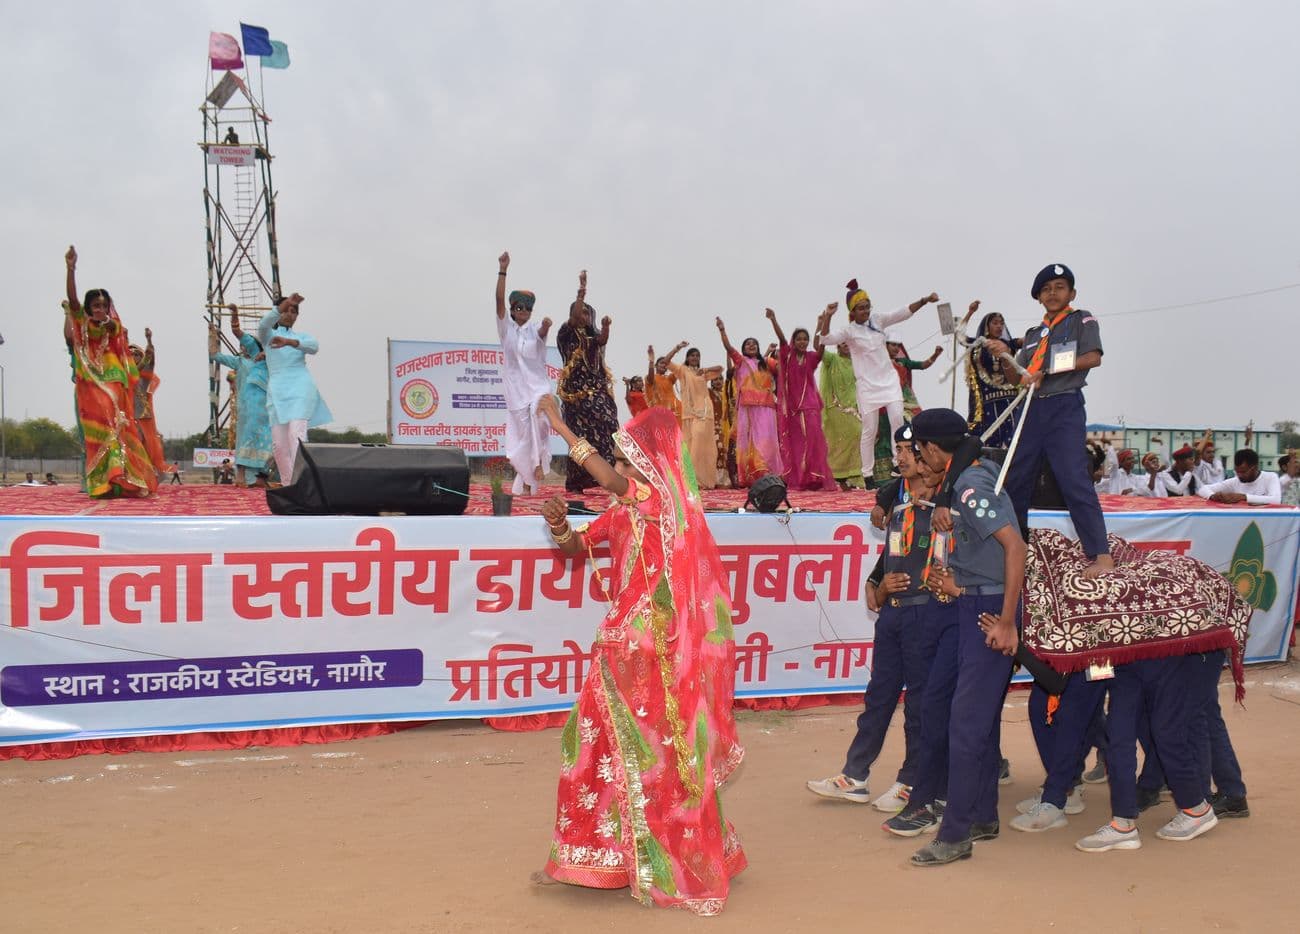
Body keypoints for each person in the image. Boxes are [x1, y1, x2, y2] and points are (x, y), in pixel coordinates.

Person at [533, 396, 746, 914]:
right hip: (623, 644)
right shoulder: (627, 511)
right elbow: (575, 549)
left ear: (651, 466)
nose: (622, 468)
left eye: (628, 459)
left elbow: (607, 479)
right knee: (600, 744)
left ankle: (661, 858)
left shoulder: (659, 502)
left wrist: (560, 425)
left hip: (646, 649)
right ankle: (597, 857)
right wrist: (560, 525)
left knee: (647, 751)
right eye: (622, 460)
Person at [807, 424, 948, 812]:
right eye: (898, 449)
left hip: (927, 616)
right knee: (878, 698)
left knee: (920, 706)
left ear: (929, 456)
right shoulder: (899, 507)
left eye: (909, 450)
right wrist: (878, 585)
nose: (899, 457)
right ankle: (855, 776)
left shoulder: (946, 509)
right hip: (893, 618)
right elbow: (892, 557)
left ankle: (911, 781)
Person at [907, 408, 1024, 866]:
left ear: (934, 450)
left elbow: (1015, 547)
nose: (919, 459)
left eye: (919, 451)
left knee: (967, 723)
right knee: (976, 716)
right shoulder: (963, 483)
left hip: (986, 610)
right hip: (971, 601)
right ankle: (980, 815)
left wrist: (1007, 622)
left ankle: (955, 834)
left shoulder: (972, 487)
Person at [984, 263, 1113, 577]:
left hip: (1064, 408)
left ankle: (1100, 554)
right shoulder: (1032, 335)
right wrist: (1004, 355)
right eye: (1046, 289)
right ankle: (1015, 549)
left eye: (1059, 287)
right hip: (1030, 410)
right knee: (1016, 481)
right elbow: (1020, 377)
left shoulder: (1081, 319)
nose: (1052, 293)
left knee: (1074, 479)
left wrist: (1049, 370)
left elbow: (1092, 357)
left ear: (1071, 293)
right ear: (1038, 297)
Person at [820, 283, 941, 488]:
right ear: (852, 311)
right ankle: (867, 475)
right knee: (869, 429)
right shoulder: (849, 331)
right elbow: (824, 339)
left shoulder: (878, 320)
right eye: (861, 308)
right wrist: (828, 316)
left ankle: (897, 464)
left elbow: (902, 312)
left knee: (897, 420)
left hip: (889, 382)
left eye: (867, 306)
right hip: (867, 387)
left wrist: (924, 300)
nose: (865, 311)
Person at [61, 245, 157, 499]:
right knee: (97, 433)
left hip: (113, 381)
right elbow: (72, 301)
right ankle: (103, 484)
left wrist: (108, 322)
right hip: (91, 383)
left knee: (116, 429)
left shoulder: (113, 326)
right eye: (95, 305)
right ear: (89, 307)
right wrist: (71, 270)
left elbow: (117, 334)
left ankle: (119, 480)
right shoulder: (82, 324)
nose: (99, 308)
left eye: (103, 305)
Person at [491, 252, 552, 495]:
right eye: (519, 307)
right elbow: (497, 300)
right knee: (521, 440)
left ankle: (537, 466)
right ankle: (526, 480)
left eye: (528, 308)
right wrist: (503, 269)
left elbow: (541, 334)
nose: (524, 311)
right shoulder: (506, 330)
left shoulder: (534, 329)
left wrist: (546, 325)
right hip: (516, 392)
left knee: (539, 420)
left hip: (538, 389)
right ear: (513, 309)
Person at [258, 291, 332, 484]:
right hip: (276, 393)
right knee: (279, 446)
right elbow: (263, 324)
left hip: (300, 388)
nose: (290, 314)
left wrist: (290, 342)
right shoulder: (268, 336)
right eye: (286, 310)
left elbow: (314, 346)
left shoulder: (301, 337)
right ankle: (289, 485)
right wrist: (284, 304)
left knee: (296, 436)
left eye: (294, 311)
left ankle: (303, 483)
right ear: (278, 311)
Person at [556, 270, 619, 493]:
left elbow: (602, 339)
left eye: (587, 313)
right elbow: (573, 318)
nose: (583, 316)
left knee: (609, 426)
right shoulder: (566, 333)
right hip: (577, 398)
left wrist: (606, 326)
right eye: (580, 312)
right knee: (580, 438)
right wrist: (581, 291)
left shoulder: (593, 338)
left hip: (597, 393)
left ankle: (606, 477)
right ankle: (577, 482)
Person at [768, 307, 835, 491]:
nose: (803, 342)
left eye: (805, 339)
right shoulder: (787, 355)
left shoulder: (812, 358)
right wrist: (773, 319)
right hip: (793, 411)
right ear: (794, 341)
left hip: (811, 406)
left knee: (814, 440)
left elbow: (821, 347)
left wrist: (821, 323)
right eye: (799, 339)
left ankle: (815, 477)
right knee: (797, 444)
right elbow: (781, 339)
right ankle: (800, 478)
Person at [209, 305, 273, 485]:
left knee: (267, 440)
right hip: (247, 406)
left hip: (266, 407)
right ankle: (241, 476)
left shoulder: (272, 360)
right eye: (244, 344)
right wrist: (213, 335)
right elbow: (215, 354)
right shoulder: (241, 361)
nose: (244, 346)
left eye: (249, 344)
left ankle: (261, 477)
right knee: (247, 437)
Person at [716, 317, 783, 486]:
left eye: (754, 344)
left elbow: (783, 368)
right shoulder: (741, 361)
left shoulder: (766, 363)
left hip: (767, 407)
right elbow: (728, 347)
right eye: (748, 344)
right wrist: (722, 331)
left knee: (766, 441)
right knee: (749, 442)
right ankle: (752, 475)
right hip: (747, 408)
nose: (751, 346)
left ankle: (769, 474)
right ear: (743, 349)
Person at [962, 303, 1025, 447]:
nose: (999, 326)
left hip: (1012, 399)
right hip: (988, 402)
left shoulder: (1009, 344)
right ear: (986, 326)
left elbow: (1026, 341)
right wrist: (970, 312)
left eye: (1001, 323)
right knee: (991, 439)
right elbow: (960, 336)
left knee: (1017, 437)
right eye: (995, 323)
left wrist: (1042, 332)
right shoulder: (977, 344)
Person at [664, 343, 723, 489]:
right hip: (688, 414)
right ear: (687, 358)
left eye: (697, 355)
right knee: (690, 446)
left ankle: (699, 481)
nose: (695, 357)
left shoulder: (703, 373)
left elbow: (721, 368)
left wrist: (706, 369)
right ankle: (690, 480)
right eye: (692, 355)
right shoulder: (682, 371)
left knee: (702, 446)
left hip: (704, 412)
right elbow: (666, 362)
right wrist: (677, 347)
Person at [818, 342, 863, 490]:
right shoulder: (831, 359)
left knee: (858, 436)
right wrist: (823, 323)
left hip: (853, 410)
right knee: (837, 444)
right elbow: (819, 347)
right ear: (837, 345)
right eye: (843, 342)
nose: (847, 345)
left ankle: (849, 476)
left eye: (848, 342)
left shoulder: (857, 363)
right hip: (835, 410)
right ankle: (837, 477)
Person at [128, 328, 167, 477]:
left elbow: (151, 358)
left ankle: (148, 475)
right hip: (126, 416)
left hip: (142, 416)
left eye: (137, 354)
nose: (134, 357)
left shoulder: (145, 375)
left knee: (146, 446)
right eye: (130, 354)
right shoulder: (123, 374)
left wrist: (149, 340)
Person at [1196, 448, 1281, 505]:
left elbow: (1276, 500)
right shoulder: (1235, 482)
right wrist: (1212, 496)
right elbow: (1202, 489)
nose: (1239, 475)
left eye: (1243, 472)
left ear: (1254, 467)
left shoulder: (1270, 477)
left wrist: (1243, 497)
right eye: (1237, 471)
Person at [886, 335, 944, 418]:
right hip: (888, 400)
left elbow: (922, 365)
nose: (896, 348)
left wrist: (935, 355)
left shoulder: (903, 362)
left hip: (907, 400)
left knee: (918, 421)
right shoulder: (879, 363)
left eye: (898, 346)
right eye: (893, 345)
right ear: (885, 346)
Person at [644, 351, 681, 422]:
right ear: (656, 365)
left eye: (665, 364)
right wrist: (651, 362)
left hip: (675, 412)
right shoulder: (651, 378)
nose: (664, 365)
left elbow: (677, 369)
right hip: (660, 414)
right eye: (661, 363)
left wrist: (676, 349)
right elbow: (650, 378)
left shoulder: (669, 378)